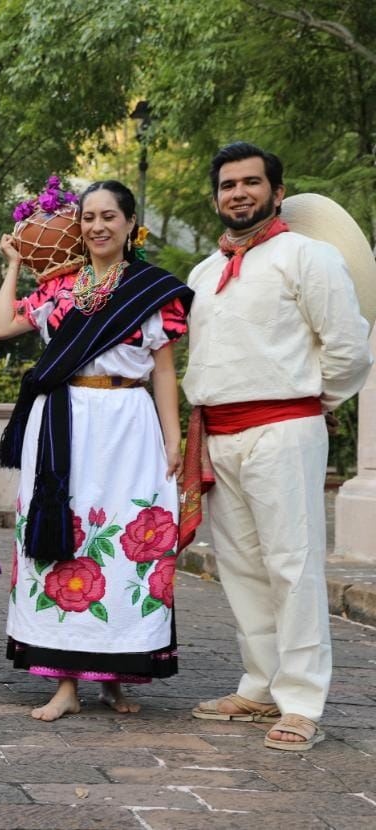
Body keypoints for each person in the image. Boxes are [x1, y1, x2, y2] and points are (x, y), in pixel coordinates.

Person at [183, 143, 371, 750]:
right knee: (238, 567)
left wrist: (310, 407)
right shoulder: (203, 274)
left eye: (251, 182)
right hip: (219, 434)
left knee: (292, 563)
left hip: (284, 427)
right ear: (216, 197)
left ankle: (302, 701)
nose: (238, 193)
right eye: (228, 184)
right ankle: (260, 686)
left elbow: (348, 349)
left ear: (277, 191)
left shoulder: (307, 256)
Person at [0, 180, 192, 721]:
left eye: (109, 216)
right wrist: (13, 263)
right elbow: (4, 324)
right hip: (62, 424)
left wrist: (175, 439)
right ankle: (64, 683)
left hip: (128, 423)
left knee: (129, 545)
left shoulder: (152, 291)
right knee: (67, 540)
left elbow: (166, 373)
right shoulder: (60, 289)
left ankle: (117, 675)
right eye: (88, 217)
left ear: (131, 224)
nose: (97, 226)